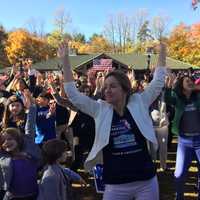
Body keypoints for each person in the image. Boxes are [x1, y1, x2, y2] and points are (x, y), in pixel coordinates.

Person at [60, 41, 167, 200]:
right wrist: (65, 61)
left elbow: (158, 82)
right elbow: (72, 94)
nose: (107, 90)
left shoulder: (139, 102)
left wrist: (163, 53)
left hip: (145, 181)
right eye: (105, 87)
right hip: (116, 183)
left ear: (125, 89)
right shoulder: (99, 109)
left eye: (113, 86)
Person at [165, 74, 200, 200]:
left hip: (199, 140)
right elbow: (167, 98)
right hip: (184, 142)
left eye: (191, 80)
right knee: (178, 174)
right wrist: (168, 85)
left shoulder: (198, 97)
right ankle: (179, 197)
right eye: (187, 81)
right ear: (181, 85)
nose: (190, 82)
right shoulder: (178, 99)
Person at [0, 102, 41, 200]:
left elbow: (30, 127)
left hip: (33, 195)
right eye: (3, 141)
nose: (6, 142)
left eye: (10, 139)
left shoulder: (29, 152)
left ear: (18, 140)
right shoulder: (3, 158)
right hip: (14, 197)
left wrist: (32, 107)